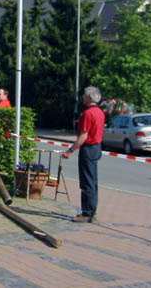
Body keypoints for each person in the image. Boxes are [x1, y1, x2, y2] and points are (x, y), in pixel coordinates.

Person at [62, 86, 105, 223]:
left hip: (88, 148)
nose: (82, 98)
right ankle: (93, 211)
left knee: (87, 181)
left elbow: (83, 136)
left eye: (84, 95)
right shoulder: (100, 112)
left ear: (89, 97)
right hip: (97, 147)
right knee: (93, 181)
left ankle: (87, 213)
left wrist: (70, 151)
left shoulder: (88, 113)